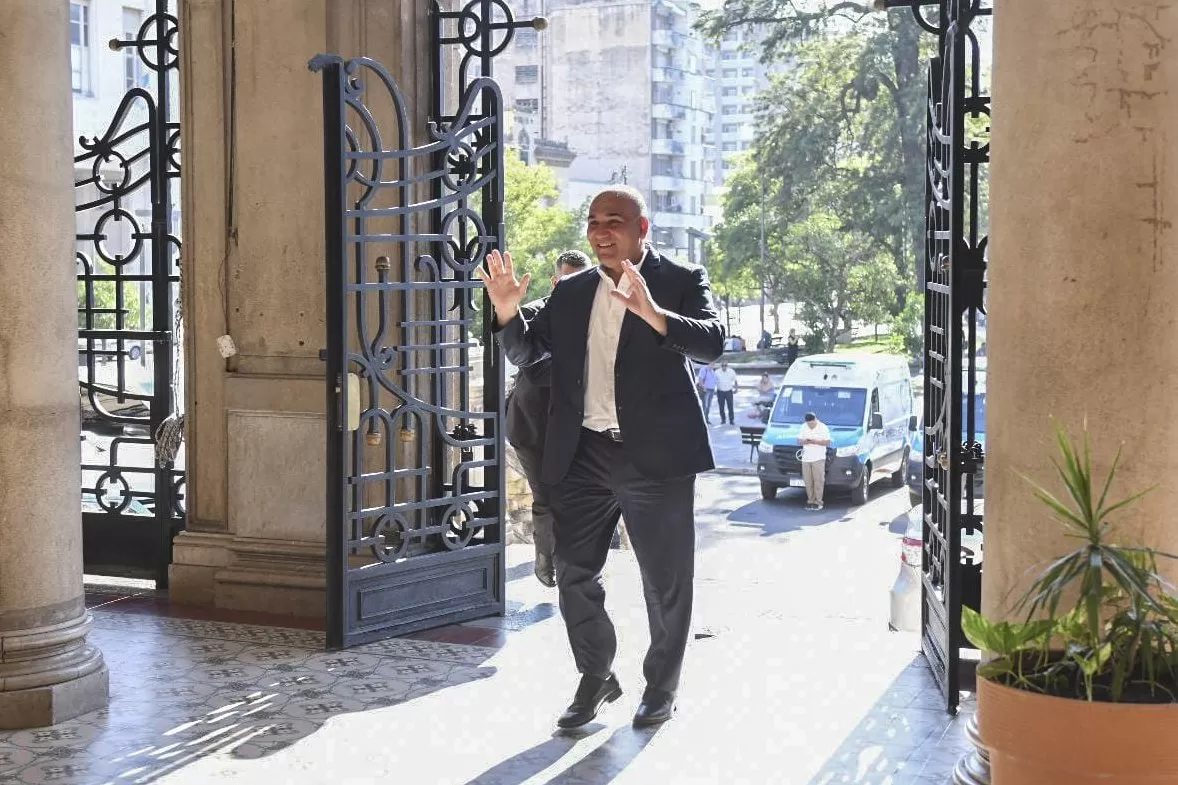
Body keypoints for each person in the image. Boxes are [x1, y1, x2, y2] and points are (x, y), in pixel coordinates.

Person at [480, 185, 724, 730]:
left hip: (654, 458)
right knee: (574, 574)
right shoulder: (571, 293)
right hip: (582, 452)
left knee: (666, 581)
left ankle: (661, 686)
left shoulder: (681, 280)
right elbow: (527, 352)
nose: (600, 231)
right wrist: (504, 313)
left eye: (614, 220)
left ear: (643, 228)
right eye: (592, 221)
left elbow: (711, 343)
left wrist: (653, 312)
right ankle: (596, 675)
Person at [505, 249, 591, 587]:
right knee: (547, 495)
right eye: (568, 281)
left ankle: (578, 559)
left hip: (582, 422)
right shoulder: (532, 315)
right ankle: (545, 556)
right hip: (534, 423)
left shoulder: (601, 317)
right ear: (555, 281)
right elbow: (529, 361)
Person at [800, 412, 832, 511]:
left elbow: (828, 442)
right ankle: (810, 501)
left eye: (811, 423)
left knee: (818, 481)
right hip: (806, 458)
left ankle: (819, 502)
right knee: (808, 481)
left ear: (815, 420)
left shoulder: (823, 427)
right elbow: (799, 440)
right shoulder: (803, 427)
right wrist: (805, 441)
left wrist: (815, 442)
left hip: (818, 458)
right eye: (808, 423)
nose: (810, 425)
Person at [714, 360, 739, 425]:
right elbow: (713, 381)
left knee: (730, 406)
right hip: (720, 391)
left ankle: (731, 420)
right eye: (723, 365)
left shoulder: (731, 371)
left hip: (729, 391)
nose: (724, 367)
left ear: (727, 366)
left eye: (725, 365)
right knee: (721, 406)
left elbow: (735, 380)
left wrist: (736, 388)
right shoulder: (716, 372)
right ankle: (723, 420)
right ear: (721, 366)